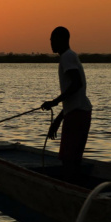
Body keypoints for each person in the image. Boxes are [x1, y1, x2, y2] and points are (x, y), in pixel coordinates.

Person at [41, 27, 92, 176]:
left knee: (69, 160)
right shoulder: (69, 56)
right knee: (72, 159)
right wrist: (57, 121)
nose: (50, 43)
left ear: (62, 40)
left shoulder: (66, 57)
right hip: (78, 113)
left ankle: (72, 188)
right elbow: (73, 99)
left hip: (77, 115)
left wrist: (54, 102)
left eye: (53, 39)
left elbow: (76, 84)